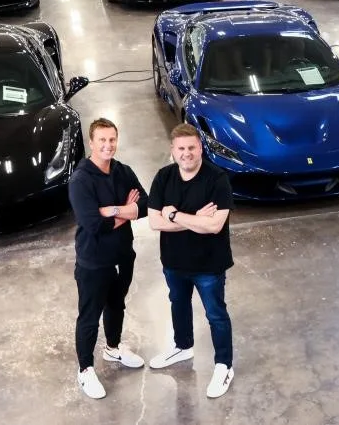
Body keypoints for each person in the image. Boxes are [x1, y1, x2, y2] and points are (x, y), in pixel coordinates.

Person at [147, 123, 235, 398]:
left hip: (209, 264)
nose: (187, 153)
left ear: (201, 148)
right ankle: (182, 347)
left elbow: (214, 226)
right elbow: (153, 221)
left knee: (216, 314)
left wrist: (174, 215)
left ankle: (224, 365)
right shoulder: (163, 177)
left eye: (192, 148)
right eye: (181, 148)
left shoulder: (217, 179)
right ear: (173, 151)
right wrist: (196, 219)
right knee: (179, 305)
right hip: (173, 261)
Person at [68, 118, 149, 400]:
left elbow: (145, 205)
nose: (108, 145)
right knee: (89, 316)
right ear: (91, 143)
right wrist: (126, 209)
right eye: (102, 140)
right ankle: (85, 369)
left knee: (116, 304)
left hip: (123, 255)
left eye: (112, 139)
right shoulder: (81, 180)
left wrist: (112, 210)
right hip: (94, 261)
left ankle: (113, 348)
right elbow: (93, 224)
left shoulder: (122, 171)